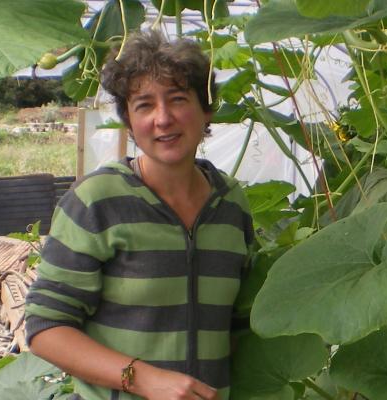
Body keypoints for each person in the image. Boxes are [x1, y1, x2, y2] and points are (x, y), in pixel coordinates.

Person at [24, 31, 253, 400]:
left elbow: (239, 327)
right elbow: (46, 327)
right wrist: (140, 377)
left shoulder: (231, 205)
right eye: (144, 105)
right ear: (129, 121)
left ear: (206, 109)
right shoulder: (97, 202)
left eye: (178, 99)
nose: (163, 119)